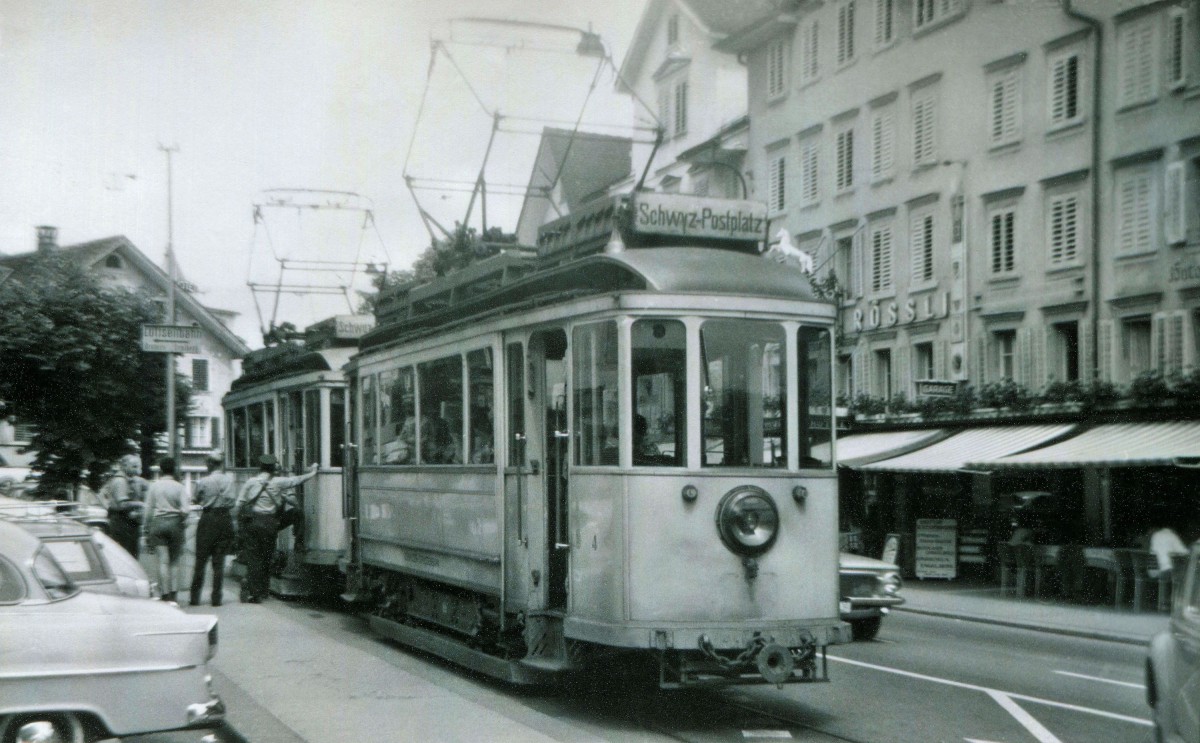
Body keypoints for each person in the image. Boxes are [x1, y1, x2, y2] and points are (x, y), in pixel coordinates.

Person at [235, 455, 318, 603]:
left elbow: (239, 503)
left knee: (254, 558)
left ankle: (254, 593)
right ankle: (263, 590)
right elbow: (298, 480)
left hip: (253, 523)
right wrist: (313, 472)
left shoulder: (250, 482)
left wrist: (239, 525)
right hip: (269, 524)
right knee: (267, 557)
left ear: (260, 468)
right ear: (273, 469)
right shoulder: (279, 482)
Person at [189, 453, 236, 607]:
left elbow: (196, 498)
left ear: (209, 464)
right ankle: (216, 598)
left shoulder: (204, 481)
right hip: (224, 519)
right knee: (219, 561)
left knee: (200, 559)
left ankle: (195, 598)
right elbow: (232, 501)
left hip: (208, 519)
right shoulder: (229, 481)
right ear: (221, 464)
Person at [141, 458, 189, 602]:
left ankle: (165, 594)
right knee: (174, 562)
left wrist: (146, 528)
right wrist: (180, 519)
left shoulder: (154, 486)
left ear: (161, 470)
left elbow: (148, 509)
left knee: (163, 561)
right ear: (174, 470)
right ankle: (174, 595)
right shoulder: (180, 487)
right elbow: (186, 510)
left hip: (158, 523)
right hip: (175, 524)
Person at [102, 454, 144, 558]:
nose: (137, 470)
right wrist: (140, 504)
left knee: (130, 552)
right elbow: (122, 504)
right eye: (134, 466)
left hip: (125, 522)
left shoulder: (129, 480)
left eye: (138, 466)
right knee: (127, 554)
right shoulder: (120, 481)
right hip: (122, 522)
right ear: (124, 466)